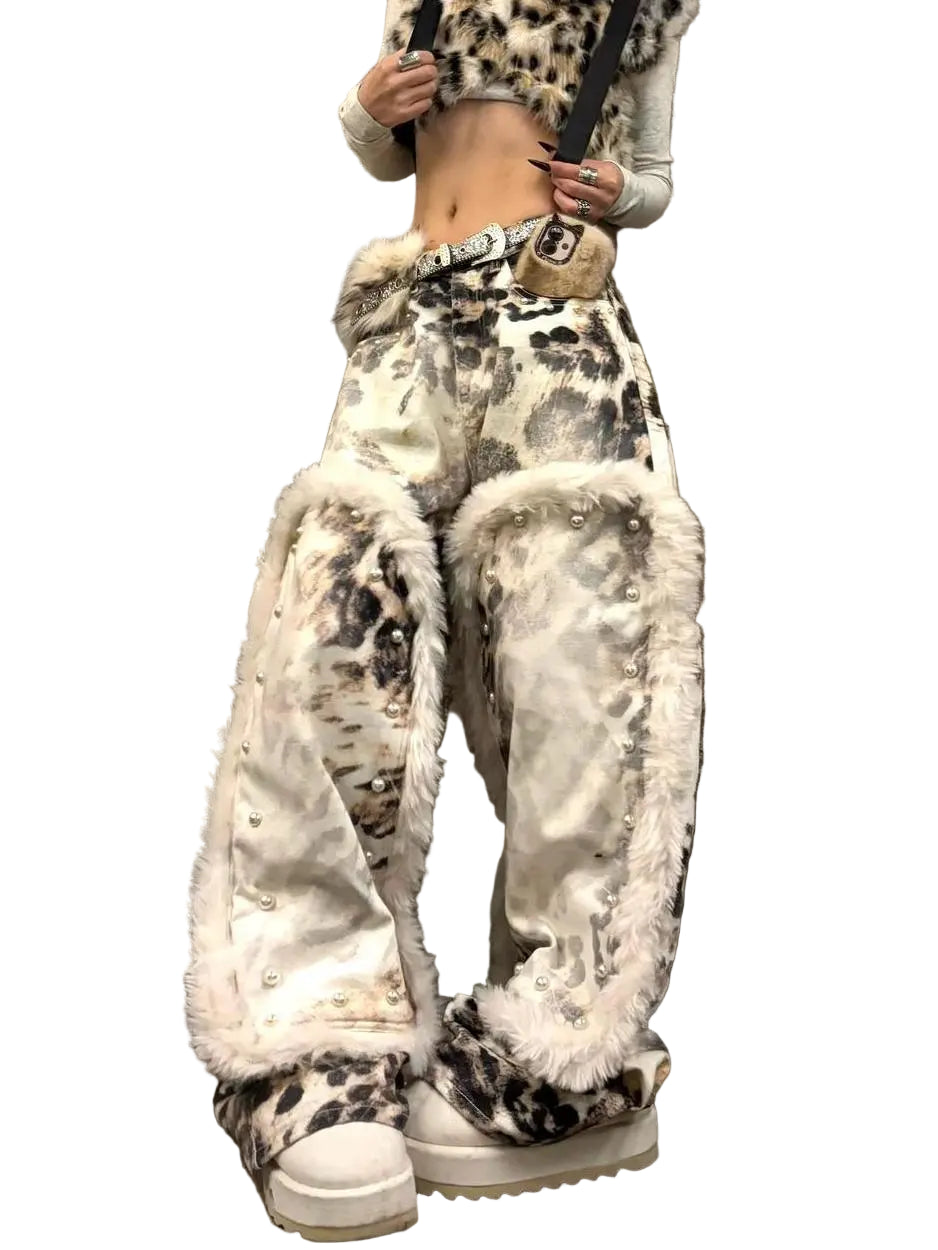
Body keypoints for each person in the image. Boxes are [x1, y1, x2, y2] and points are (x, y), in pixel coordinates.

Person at [185, 1, 705, 1240]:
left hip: (556, 315)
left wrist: (615, 191)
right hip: (411, 316)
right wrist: (369, 107)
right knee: (332, 631)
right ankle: (315, 1029)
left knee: (584, 651)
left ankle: (566, 1043)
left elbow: (654, 177)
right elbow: (383, 145)